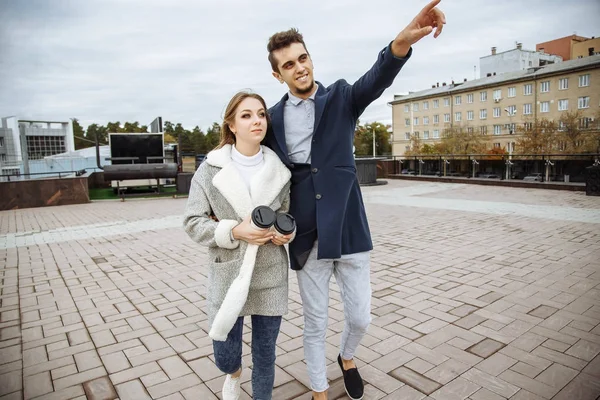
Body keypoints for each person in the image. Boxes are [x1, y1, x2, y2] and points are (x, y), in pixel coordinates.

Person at [263, 1, 446, 399]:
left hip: (348, 226)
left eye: (303, 58)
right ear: (277, 75)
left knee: (360, 317)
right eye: (289, 65)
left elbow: (377, 77)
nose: (300, 67)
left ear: (310, 58)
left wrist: (400, 42)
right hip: (305, 234)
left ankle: (347, 355)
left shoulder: (342, 98)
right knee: (314, 322)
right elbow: (248, 157)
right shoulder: (270, 119)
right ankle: (319, 390)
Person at [183, 91, 294, 400]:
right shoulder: (210, 170)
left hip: (270, 272)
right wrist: (234, 231)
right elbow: (192, 221)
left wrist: (287, 233)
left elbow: (285, 214)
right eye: (246, 115)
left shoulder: (280, 172)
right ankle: (233, 373)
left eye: (260, 114)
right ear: (231, 124)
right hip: (229, 274)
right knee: (225, 351)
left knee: (265, 355)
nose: (256, 120)